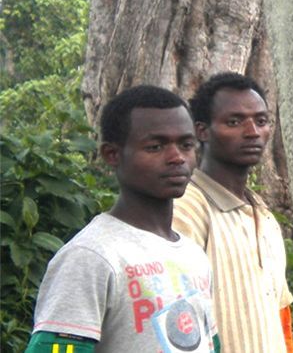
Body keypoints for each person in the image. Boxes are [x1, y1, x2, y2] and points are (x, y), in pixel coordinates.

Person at [27, 86, 220, 353]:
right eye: (155, 146)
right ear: (112, 155)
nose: (177, 158)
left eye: (186, 145)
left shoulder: (193, 254)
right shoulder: (92, 256)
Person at [173, 73, 293, 353]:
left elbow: (281, 318)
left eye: (261, 121)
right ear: (202, 131)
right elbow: (168, 317)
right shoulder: (185, 209)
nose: (252, 132)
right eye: (234, 122)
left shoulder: (265, 217)